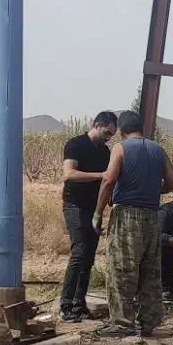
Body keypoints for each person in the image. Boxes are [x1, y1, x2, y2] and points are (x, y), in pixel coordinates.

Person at [93, 111, 173, 338]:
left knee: (122, 270)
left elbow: (108, 180)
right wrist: (152, 189)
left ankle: (122, 323)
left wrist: (98, 214)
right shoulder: (158, 150)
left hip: (127, 216)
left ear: (121, 130)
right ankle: (149, 323)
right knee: (150, 271)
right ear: (142, 128)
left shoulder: (120, 148)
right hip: (152, 217)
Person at [58, 111, 118, 322]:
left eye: (111, 135)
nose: (108, 138)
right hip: (75, 205)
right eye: (107, 132)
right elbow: (69, 174)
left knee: (89, 257)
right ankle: (65, 305)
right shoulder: (75, 144)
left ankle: (79, 304)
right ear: (97, 124)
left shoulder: (104, 151)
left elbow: (107, 182)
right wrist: (101, 175)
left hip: (94, 209)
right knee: (79, 252)